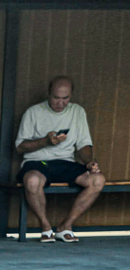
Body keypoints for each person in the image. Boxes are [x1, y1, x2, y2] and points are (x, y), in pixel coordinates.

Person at [15, 76, 105, 243]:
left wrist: (89, 163)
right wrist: (45, 141)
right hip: (37, 162)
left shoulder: (77, 111)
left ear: (71, 96)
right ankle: (45, 227)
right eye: (56, 98)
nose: (61, 103)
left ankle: (66, 226)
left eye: (66, 98)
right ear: (48, 94)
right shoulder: (33, 112)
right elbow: (20, 147)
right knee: (32, 181)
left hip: (65, 162)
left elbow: (84, 144)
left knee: (98, 180)